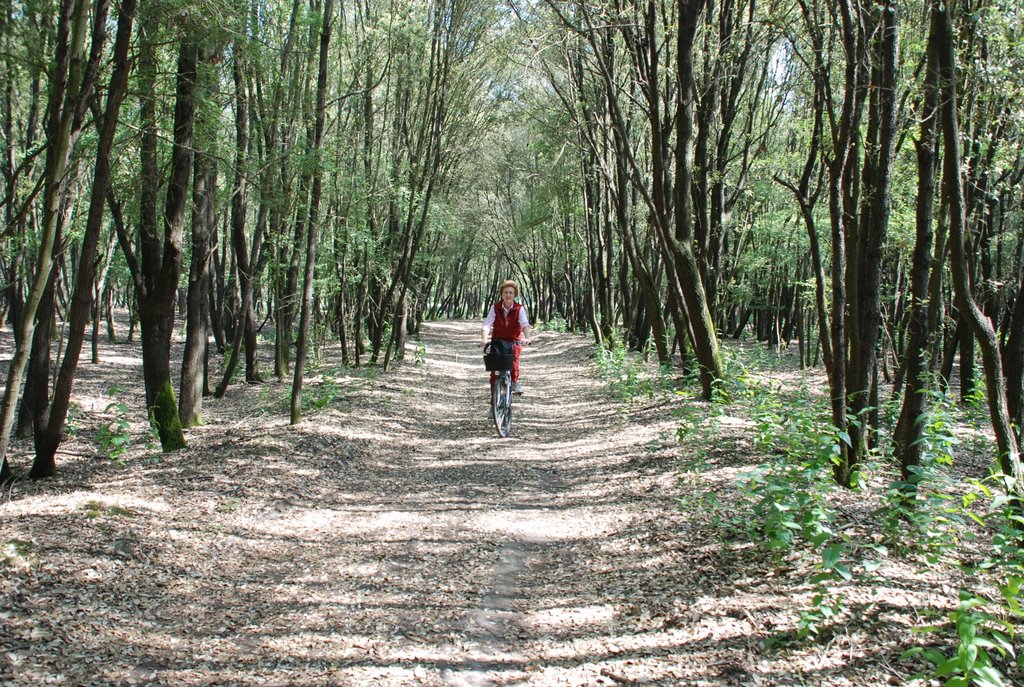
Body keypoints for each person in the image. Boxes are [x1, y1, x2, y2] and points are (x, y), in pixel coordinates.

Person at [481, 280, 533, 414]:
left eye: (511, 292)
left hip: (513, 341)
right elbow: (487, 324)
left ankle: (514, 381)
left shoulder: (519, 308)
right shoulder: (495, 307)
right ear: (502, 294)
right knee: (494, 374)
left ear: (514, 294)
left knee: (513, 358)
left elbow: (525, 324)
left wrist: (527, 338)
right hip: (498, 341)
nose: (508, 295)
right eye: (506, 292)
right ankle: (493, 405)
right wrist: (484, 339)